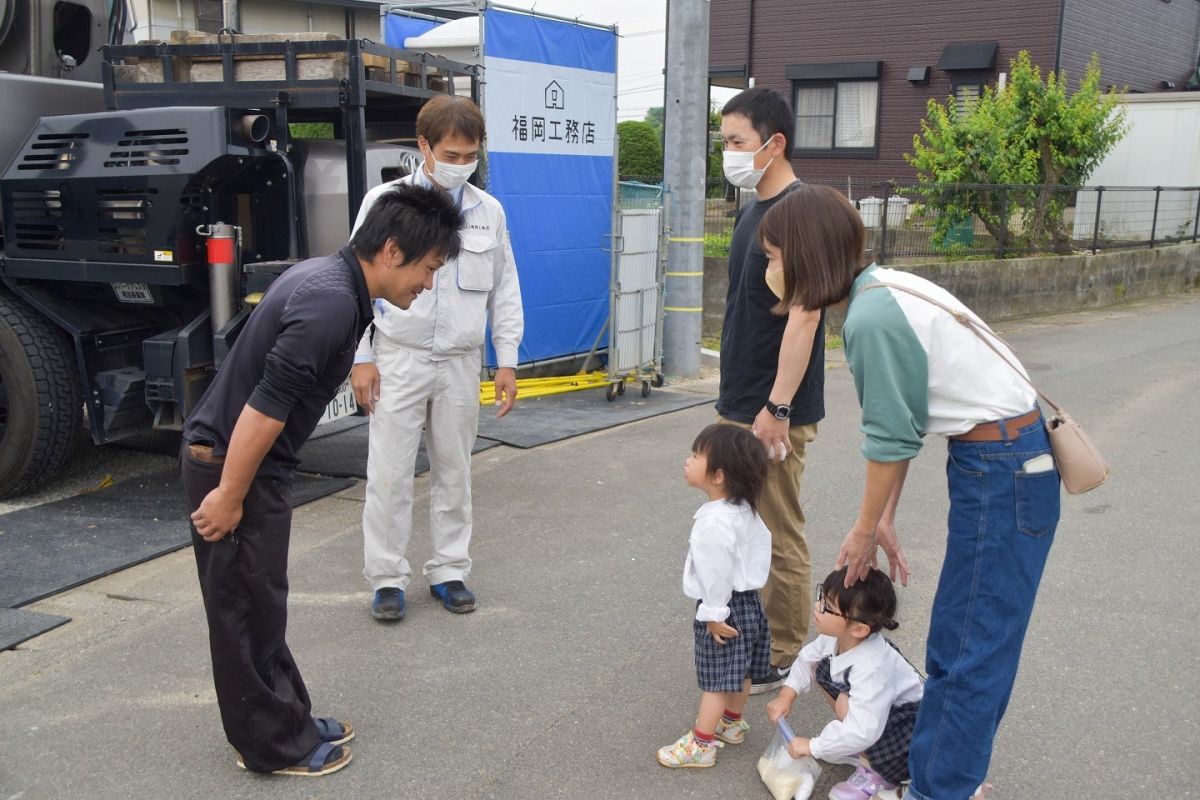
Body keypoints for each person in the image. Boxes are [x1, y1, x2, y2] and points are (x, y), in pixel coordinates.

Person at [758, 184, 1061, 800]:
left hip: (1002, 467)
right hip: (1002, 460)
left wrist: (867, 529)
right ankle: (947, 778)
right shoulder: (882, 288)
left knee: (970, 653)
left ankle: (939, 789)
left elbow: (890, 439)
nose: (768, 269)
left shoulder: (870, 317)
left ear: (806, 255)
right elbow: (905, 427)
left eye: (772, 256)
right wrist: (885, 517)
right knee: (963, 646)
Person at [182, 184, 463, 776]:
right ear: (392, 250)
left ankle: (289, 719)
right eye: (430, 268)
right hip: (234, 463)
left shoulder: (332, 281)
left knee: (263, 602)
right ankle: (268, 746)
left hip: (251, 463)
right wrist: (230, 495)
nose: (429, 284)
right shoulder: (332, 301)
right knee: (240, 608)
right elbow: (264, 407)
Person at [351, 94, 524, 622]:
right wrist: (360, 356)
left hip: (459, 361)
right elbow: (355, 278)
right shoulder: (386, 202)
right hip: (398, 356)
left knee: (455, 471)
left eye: (470, 154)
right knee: (389, 472)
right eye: (450, 153)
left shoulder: (488, 212)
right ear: (423, 146)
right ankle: (386, 578)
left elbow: (505, 288)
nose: (460, 164)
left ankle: (449, 570)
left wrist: (508, 360)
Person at [716, 86, 825, 693]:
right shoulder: (753, 208)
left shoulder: (798, 209)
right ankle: (761, 641)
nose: (728, 153)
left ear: (773, 143)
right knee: (745, 528)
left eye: (737, 142)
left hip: (774, 406)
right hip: (744, 398)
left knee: (779, 529)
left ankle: (785, 655)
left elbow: (805, 315)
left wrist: (778, 407)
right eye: (726, 141)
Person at [656, 424, 772, 769]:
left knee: (717, 678)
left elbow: (716, 572)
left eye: (695, 456)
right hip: (750, 602)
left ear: (718, 475)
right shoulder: (745, 510)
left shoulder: (714, 523)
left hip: (725, 606)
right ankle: (731, 722)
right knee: (742, 668)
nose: (687, 461)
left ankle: (701, 744)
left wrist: (714, 614)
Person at [766, 568, 923, 800]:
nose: (818, 606)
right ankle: (858, 750)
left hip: (910, 731)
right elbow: (809, 657)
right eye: (822, 597)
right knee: (822, 668)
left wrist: (812, 746)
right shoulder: (843, 637)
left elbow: (864, 729)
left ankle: (878, 772)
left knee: (855, 721)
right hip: (884, 715)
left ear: (859, 629)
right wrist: (787, 694)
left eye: (828, 607)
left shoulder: (872, 668)